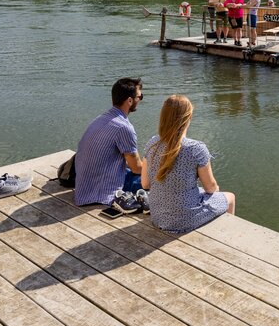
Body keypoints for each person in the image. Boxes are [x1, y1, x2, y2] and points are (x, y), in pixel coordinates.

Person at [141, 95, 235, 234]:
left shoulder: (151, 144)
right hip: (183, 220)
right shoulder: (195, 148)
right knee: (230, 197)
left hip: (158, 217)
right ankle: (228, 238)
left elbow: (145, 184)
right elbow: (211, 188)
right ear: (188, 118)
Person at [75, 77, 144, 206]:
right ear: (130, 100)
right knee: (155, 179)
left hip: (83, 187)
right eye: (140, 97)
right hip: (101, 192)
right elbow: (137, 168)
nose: (140, 100)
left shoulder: (102, 118)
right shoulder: (124, 127)